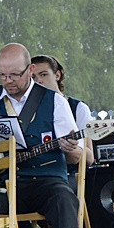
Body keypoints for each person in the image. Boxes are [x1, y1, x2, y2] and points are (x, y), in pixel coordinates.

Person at [0, 43, 85, 228]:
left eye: (14, 75)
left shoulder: (54, 101)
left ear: (30, 70)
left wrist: (71, 149)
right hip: (8, 184)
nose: (8, 81)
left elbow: (77, 156)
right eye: (2, 75)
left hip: (47, 181)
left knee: (65, 200)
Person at [30, 55, 95, 188]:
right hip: (33, 173)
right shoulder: (27, 110)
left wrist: (72, 148)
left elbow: (89, 158)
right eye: (33, 77)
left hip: (67, 175)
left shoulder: (78, 108)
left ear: (57, 75)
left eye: (44, 75)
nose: (39, 81)